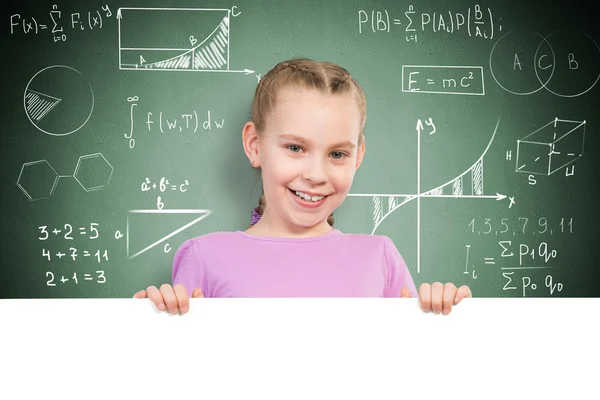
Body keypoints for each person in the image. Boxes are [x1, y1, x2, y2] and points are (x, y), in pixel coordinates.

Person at [133, 58, 472, 315]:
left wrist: (442, 315)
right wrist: (146, 324)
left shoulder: (380, 258)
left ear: (358, 157)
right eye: (295, 148)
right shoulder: (204, 257)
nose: (315, 174)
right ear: (254, 144)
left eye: (337, 153)